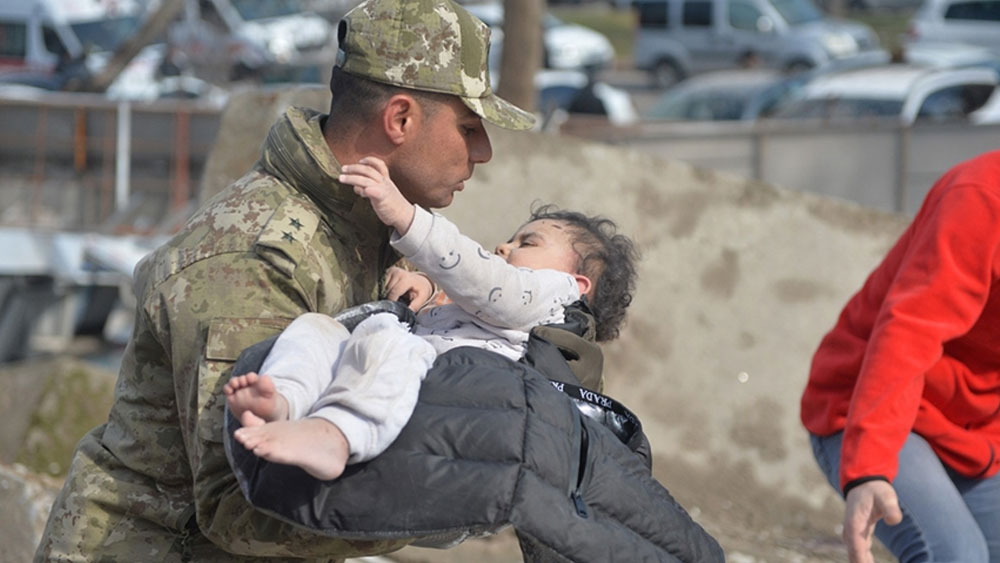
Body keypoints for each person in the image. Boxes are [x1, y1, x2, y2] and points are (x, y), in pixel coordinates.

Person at [35, 0, 537, 559]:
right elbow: (240, 505)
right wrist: (478, 497)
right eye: (469, 127)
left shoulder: (366, 228)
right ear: (399, 120)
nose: (484, 152)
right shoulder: (255, 259)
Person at [223, 156, 638, 481]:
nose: (503, 246)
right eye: (511, 237)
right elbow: (473, 308)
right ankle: (284, 399)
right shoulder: (508, 305)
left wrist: (406, 216)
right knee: (319, 328)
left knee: (392, 343)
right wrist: (428, 292)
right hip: (402, 374)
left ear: (578, 283)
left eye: (527, 242)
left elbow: (487, 285)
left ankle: (336, 436)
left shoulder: (552, 296)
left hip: (448, 403)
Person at [800, 149, 1000, 563]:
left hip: (974, 429)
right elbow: (909, 332)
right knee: (957, 554)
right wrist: (869, 468)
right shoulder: (981, 196)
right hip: (872, 409)